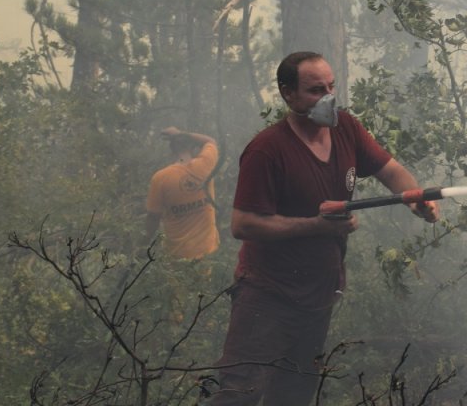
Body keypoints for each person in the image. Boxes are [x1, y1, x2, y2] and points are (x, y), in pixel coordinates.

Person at [211, 51, 438, 405]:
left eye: (331, 86)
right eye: (316, 90)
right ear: (288, 94)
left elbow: (391, 171)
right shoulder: (267, 150)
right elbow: (243, 224)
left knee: (293, 396)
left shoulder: (346, 128)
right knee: (238, 394)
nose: (328, 97)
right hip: (267, 296)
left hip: (317, 297)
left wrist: (413, 197)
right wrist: (316, 226)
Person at [145, 127, 220, 260]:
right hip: (206, 253)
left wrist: (143, 246)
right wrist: (181, 134)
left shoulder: (161, 178)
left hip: (176, 256)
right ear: (193, 148)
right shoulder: (205, 164)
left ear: (172, 150)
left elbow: (153, 218)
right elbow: (211, 141)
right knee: (204, 281)